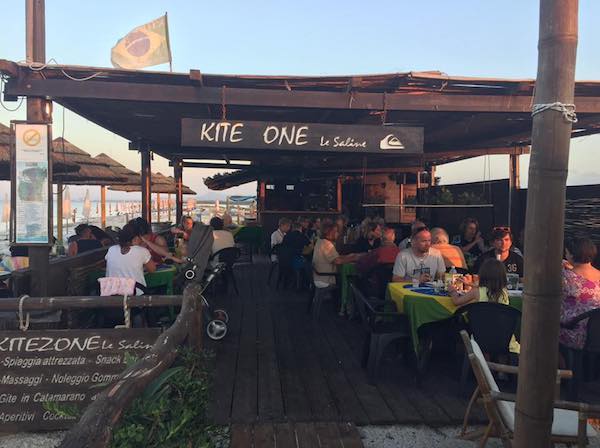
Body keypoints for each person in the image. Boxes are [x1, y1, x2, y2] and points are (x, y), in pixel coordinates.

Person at [450, 258, 520, 353]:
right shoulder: (504, 292)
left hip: (481, 336)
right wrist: (470, 284)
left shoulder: (476, 292)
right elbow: (489, 289)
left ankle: (483, 362)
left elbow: (456, 301)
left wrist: (453, 291)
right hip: (503, 338)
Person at [559, 238, 600, 350]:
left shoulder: (565, 277)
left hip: (572, 332)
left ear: (571, 255)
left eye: (566, 253)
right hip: (595, 335)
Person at [105, 223, 156, 295]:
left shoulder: (111, 249)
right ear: (136, 238)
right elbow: (152, 269)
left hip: (112, 295)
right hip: (135, 295)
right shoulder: (142, 251)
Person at [312, 219, 361, 287]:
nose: (338, 234)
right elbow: (337, 261)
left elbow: (335, 257)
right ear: (331, 232)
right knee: (351, 280)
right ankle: (346, 296)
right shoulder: (327, 244)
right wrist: (354, 258)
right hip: (325, 279)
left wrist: (349, 256)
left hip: (319, 277)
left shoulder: (320, 241)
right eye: (336, 232)